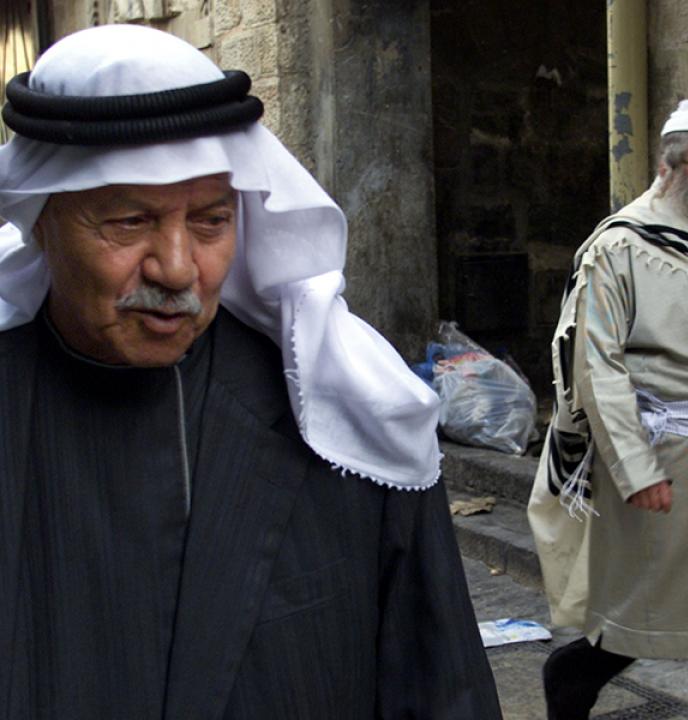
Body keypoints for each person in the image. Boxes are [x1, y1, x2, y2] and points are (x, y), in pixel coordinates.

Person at [0, 24, 503, 720]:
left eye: (210, 222)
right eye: (127, 222)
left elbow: (441, 689)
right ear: (42, 219)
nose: (177, 269)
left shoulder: (346, 415)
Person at [528, 99, 688, 720]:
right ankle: (573, 673)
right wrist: (636, 468)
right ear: (670, 170)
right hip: (671, 461)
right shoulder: (620, 246)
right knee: (655, 614)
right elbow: (595, 367)